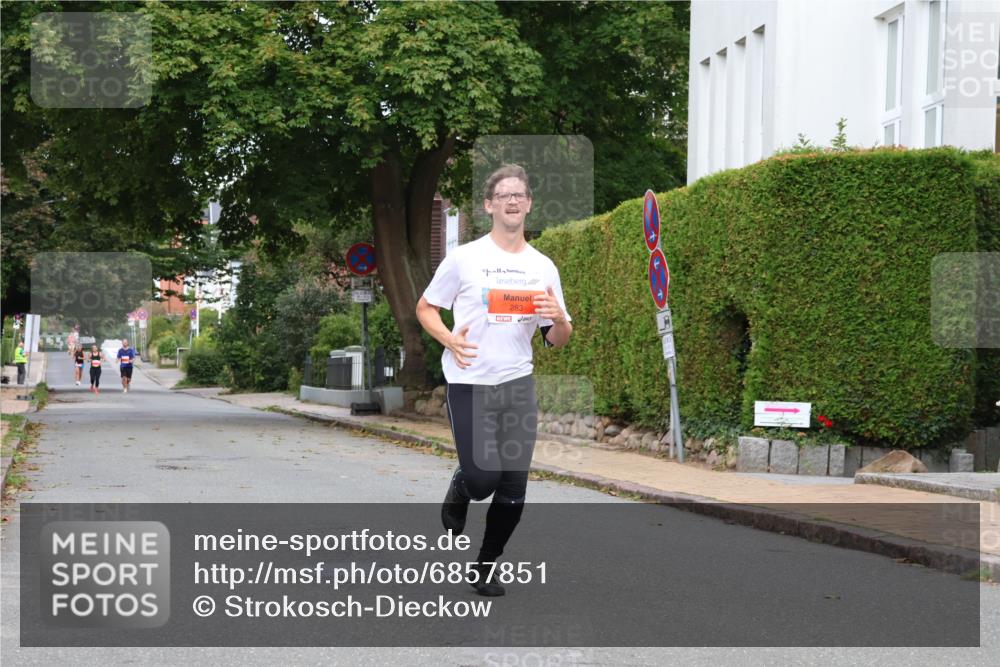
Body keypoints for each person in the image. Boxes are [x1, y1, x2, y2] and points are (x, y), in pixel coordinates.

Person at [415, 164, 573, 597]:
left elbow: (556, 339)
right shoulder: (464, 258)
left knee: (514, 488)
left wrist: (560, 318)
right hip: (470, 384)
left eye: (519, 194)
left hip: (518, 385)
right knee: (484, 479)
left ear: (529, 204)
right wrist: (449, 339)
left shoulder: (543, 267)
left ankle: (485, 565)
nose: (512, 201)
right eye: (504, 195)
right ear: (489, 205)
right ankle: (463, 484)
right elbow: (426, 307)